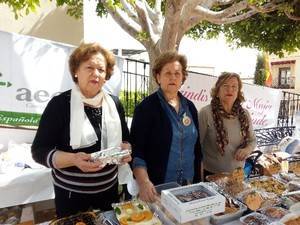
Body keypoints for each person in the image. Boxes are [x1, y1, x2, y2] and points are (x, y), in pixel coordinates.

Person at [31, 42, 131, 218]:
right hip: (71, 197)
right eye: (89, 67)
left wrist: (126, 150)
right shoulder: (60, 104)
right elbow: (39, 151)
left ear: (106, 75)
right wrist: (73, 159)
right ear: (76, 71)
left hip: (108, 192)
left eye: (101, 69)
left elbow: (126, 140)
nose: (96, 73)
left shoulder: (114, 104)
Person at [130, 51, 201, 202]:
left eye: (177, 73)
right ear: (158, 77)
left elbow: (197, 150)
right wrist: (144, 182)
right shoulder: (146, 108)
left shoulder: (190, 107)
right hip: (157, 188)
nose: (173, 77)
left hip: (188, 187)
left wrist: (199, 183)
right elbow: (137, 151)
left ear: (183, 78)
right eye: (167, 73)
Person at [198, 72, 256, 179]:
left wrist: (247, 150)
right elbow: (196, 146)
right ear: (217, 91)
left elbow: (252, 141)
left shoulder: (244, 114)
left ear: (238, 92)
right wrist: (199, 175)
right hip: (212, 175)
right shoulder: (206, 113)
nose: (230, 90)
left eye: (234, 87)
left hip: (237, 175)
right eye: (225, 86)